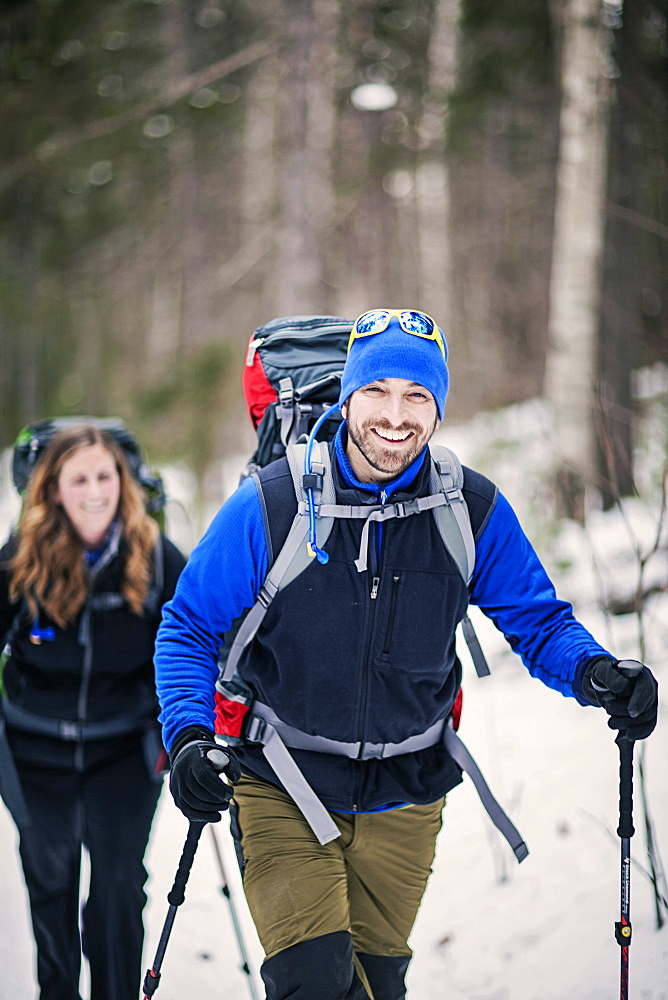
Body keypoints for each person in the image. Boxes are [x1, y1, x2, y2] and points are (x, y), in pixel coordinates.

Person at [154, 309, 659, 1000]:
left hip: (407, 797)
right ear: (349, 396)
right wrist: (186, 735)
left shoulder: (468, 508)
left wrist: (596, 672)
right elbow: (187, 626)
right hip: (281, 780)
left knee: (379, 986)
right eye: (378, 392)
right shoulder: (273, 504)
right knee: (315, 984)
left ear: (439, 406)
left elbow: (537, 621)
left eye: (417, 396)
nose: (396, 416)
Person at [0, 424, 186, 1000]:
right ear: (54, 489)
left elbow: (197, 637)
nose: (95, 490)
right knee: (50, 882)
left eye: (105, 476)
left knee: (118, 888)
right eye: (78, 478)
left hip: (123, 750)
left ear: (122, 482)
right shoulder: (20, 558)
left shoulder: (153, 554)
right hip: (34, 751)